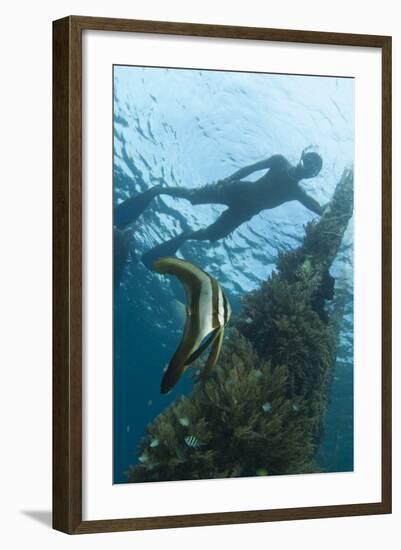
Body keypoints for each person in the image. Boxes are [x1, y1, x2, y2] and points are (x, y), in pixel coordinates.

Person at [114, 149, 324, 267]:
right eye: (309, 162)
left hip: (244, 212)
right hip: (237, 190)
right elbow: (249, 169)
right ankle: (157, 190)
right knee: (192, 195)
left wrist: (335, 211)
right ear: (302, 158)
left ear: (313, 175)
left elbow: (317, 207)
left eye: (313, 168)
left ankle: (185, 236)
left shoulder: (297, 192)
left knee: (211, 235)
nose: (308, 168)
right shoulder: (280, 162)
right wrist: (227, 180)